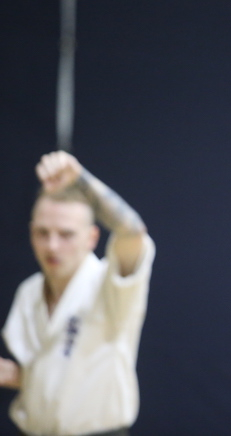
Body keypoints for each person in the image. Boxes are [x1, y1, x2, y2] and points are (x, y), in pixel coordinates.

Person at [0, 151, 155, 436]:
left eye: (66, 234)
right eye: (43, 233)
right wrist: (14, 375)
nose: (52, 246)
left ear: (91, 237)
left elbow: (133, 232)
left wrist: (80, 179)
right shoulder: (29, 293)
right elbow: (53, 370)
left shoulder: (108, 284)